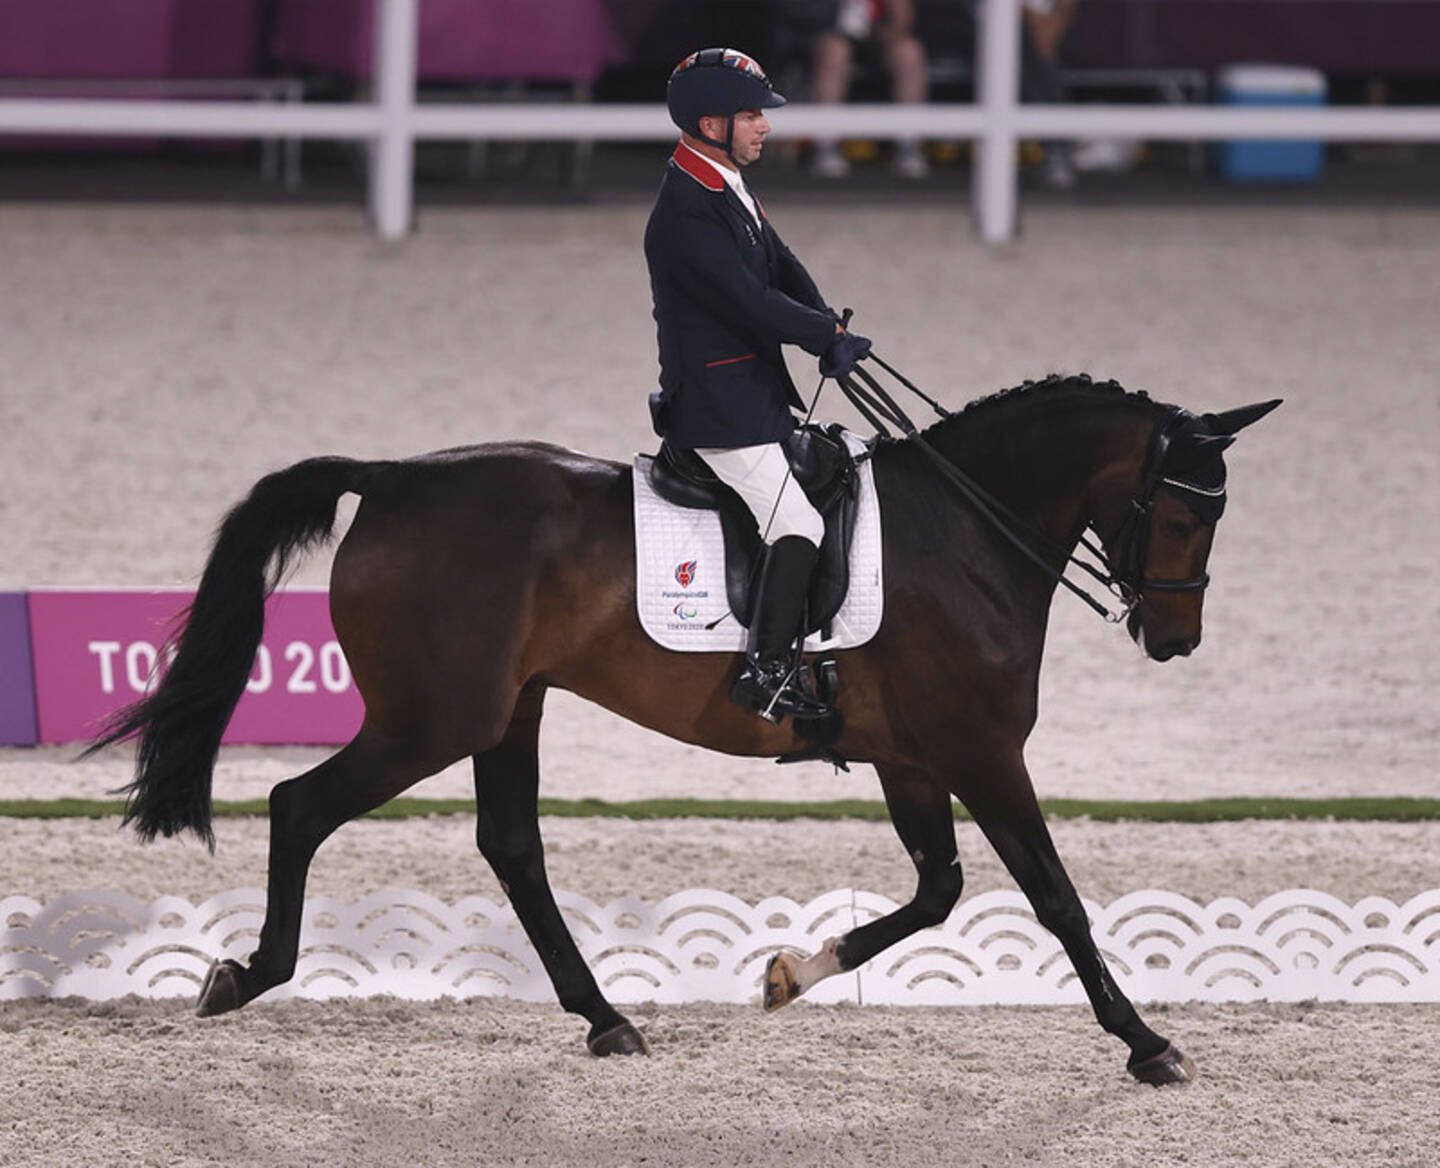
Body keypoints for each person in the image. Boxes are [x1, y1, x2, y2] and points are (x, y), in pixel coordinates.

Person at [644, 47, 871, 724]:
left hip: (750, 393)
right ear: (711, 123)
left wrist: (827, 321)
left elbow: (781, 265)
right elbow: (748, 301)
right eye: (750, 116)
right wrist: (819, 337)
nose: (764, 127)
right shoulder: (687, 210)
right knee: (795, 522)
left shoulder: (723, 182)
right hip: (718, 406)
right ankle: (766, 672)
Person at [805, 0, 931, 178]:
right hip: (833, 34)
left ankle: (908, 146)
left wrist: (885, 30)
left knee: (909, 52)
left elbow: (903, 19)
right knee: (835, 52)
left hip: (878, 36)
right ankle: (827, 146)